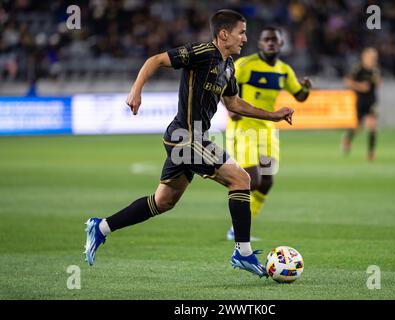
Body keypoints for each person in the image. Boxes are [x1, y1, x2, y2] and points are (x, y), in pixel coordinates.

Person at [84, 9, 294, 278]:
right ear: (223, 34)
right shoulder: (202, 52)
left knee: (163, 201)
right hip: (184, 138)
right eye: (241, 32)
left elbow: (234, 103)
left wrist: (274, 114)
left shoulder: (228, 66)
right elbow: (156, 60)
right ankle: (243, 252)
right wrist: (136, 90)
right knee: (241, 178)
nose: (245, 38)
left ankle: (100, 227)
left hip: (194, 138)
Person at [225, 26, 311, 241]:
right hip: (243, 128)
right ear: (260, 43)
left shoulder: (284, 70)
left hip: (267, 129)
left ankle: (238, 229)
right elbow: (221, 83)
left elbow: (299, 95)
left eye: (275, 40)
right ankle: (237, 227)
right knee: (251, 180)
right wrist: (229, 108)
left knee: (267, 182)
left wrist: (306, 88)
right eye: (266, 40)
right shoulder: (245, 64)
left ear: (281, 44)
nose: (271, 43)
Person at [342, 47, 382, 161]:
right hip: (361, 101)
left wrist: (378, 82)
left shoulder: (376, 70)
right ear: (364, 57)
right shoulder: (358, 69)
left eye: (375, 58)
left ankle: (371, 153)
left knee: (372, 126)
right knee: (359, 127)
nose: (373, 59)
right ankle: (348, 138)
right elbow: (347, 81)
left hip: (372, 101)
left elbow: (377, 82)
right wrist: (360, 86)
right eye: (371, 57)